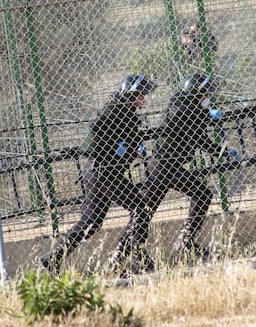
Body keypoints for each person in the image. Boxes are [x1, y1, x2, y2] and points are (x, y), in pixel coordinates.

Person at [41, 75, 156, 275]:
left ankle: (54, 258)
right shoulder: (118, 109)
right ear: (130, 95)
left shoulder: (124, 111)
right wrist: (116, 146)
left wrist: (127, 145)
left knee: (91, 222)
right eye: (140, 96)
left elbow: (124, 134)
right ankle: (125, 258)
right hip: (104, 172)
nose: (143, 100)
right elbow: (97, 126)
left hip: (98, 172)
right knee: (141, 209)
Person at [127, 73, 238, 263]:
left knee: (200, 194)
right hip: (162, 165)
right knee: (145, 209)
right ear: (195, 92)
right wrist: (205, 114)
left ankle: (185, 241)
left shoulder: (192, 109)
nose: (207, 97)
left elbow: (199, 137)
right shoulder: (180, 101)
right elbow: (181, 117)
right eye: (204, 93)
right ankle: (134, 251)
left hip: (171, 165)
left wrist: (222, 152)